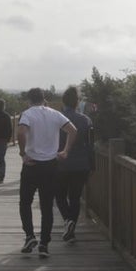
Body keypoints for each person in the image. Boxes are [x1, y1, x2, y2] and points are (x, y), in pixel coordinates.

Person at [17, 88, 76, 258]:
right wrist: (65, 151)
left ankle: (29, 236)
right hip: (51, 165)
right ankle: (44, 244)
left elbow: (21, 132)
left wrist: (23, 153)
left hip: (31, 164)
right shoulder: (55, 114)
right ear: (44, 99)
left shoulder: (27, 114)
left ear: (29, 100)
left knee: (25, 202)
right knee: (47, 206)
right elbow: (73, 130)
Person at [55, 86, 94, 242]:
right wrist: (92, 165)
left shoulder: (56, 118)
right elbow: (91, 145)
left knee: (59, 196)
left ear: (63, 101)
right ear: (77, 102)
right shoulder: (86, 120)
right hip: (81, 164)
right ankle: (71, 227)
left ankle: (68, 221)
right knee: (75, 197)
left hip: (60, 163)